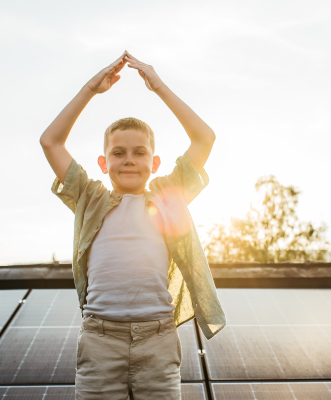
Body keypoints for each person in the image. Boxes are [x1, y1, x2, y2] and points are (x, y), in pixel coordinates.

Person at [40, 51, 226, 399]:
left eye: (139, 152)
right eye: (118, 152)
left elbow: (204, 138)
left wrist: (159, 87)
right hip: (99, 340)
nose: (129, 160)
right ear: (103, 161)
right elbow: (50, 141)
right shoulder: (89, 197)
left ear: (154, 162)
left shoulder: (168, 195)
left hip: (156, 340)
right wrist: (89, 90)